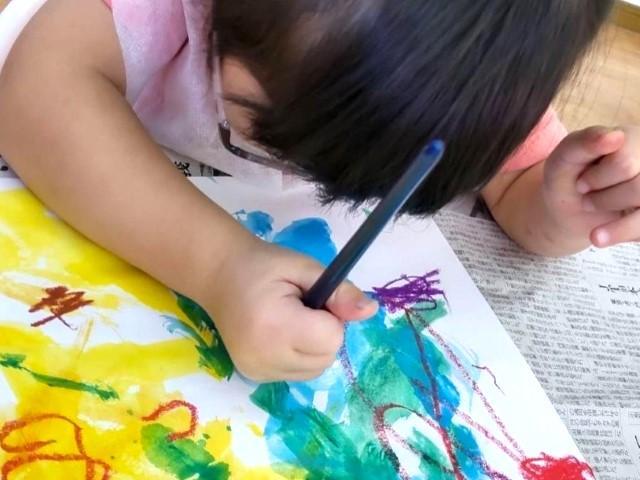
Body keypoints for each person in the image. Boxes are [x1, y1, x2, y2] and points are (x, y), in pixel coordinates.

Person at [0, 0, 637, 382]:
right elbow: (38, 93)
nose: (314, 177)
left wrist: (562, 206)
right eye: (274, 128)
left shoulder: (477, 80)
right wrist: (220, 266)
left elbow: (518, 185)